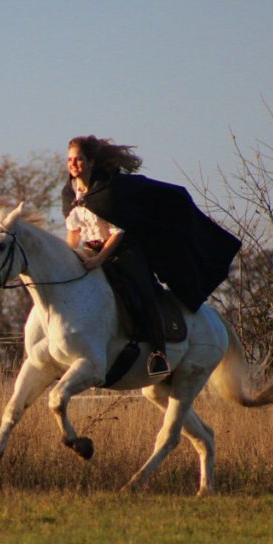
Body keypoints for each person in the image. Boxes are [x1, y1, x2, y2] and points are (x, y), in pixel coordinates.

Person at [61, 135, 242, 377]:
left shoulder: (109, 190)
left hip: (122, 249)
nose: (73, 164)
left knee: (144, 290)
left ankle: (159, 353)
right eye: (70, 160)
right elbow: (73, 233)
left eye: (79, 159)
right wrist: (68, 256)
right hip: (89, 249)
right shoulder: (69, 193)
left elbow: (117, 231)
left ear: (91, 162)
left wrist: (99, 260)